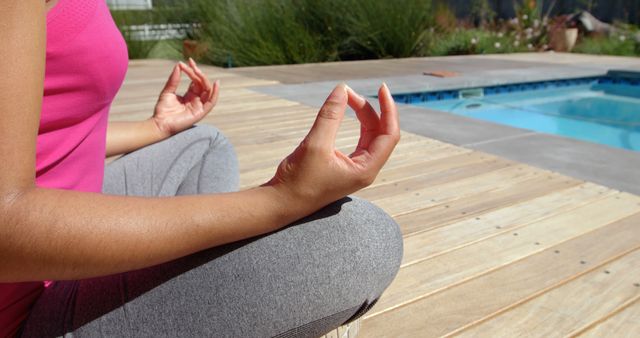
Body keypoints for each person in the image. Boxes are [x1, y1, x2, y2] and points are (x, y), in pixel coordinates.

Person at [0, 0, 403, 336]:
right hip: (22, 307)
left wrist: (156, 127)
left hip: (63, 208)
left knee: (203, 146)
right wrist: (279, 199)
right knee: (361, 241)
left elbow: (40, 129)